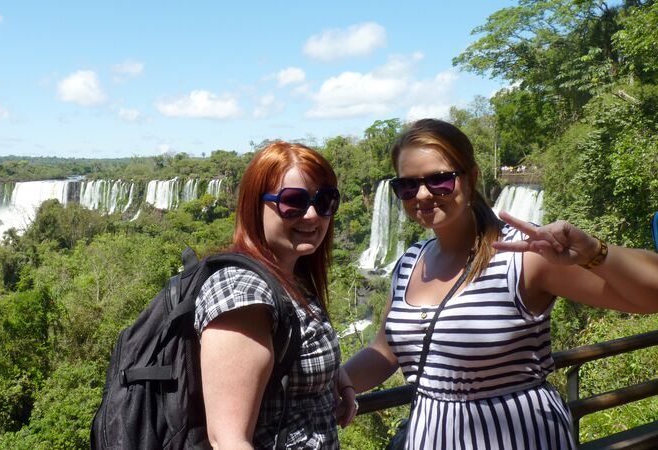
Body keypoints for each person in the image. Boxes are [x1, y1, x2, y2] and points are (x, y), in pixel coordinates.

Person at [342, 119, 658, 449]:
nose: (421, 194)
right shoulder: (409, 261)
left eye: (439, 180)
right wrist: (332, 382)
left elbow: (651, 296)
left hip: (517, 436)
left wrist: (595, 252)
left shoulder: (524, 253)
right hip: (430, 436)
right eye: (407, 186)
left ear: (472, 177)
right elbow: (384, 351)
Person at [196, 141, 357, 449]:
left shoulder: (291, 277)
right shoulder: (243, 295)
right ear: (255, 206)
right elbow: (228, 441)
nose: (312, 215)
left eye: (325, 201)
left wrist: (342, 380)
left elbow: (298, 350)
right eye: (292, 201)